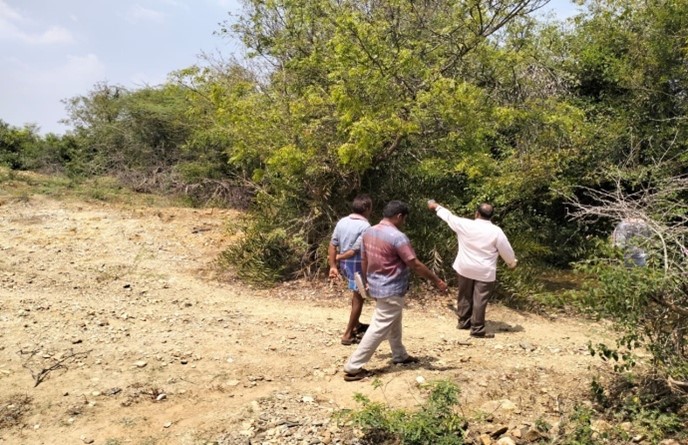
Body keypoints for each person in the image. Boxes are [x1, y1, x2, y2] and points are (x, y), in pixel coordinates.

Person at [343, 200, 447, 381]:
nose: (404, 222)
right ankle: (353, 366)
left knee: (394, 319)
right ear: (399, 216)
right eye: (404, 219)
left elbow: (364, 258)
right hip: (390, 288)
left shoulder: (369, 231)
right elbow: (413, 263)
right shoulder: (398, 237)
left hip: (377, 286)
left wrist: (367, 280)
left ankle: (399, 355)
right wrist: (436, 280)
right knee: (379, 327)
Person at [427, 200, 517, 338]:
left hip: (465, 267)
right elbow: (507, 251)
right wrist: (512, 264)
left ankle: (463, 322)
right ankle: (477, 328)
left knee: (464, 294)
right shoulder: (496, 231)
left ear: (476, 214)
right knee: (480, 299)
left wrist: (435, 206)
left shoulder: (465, 224)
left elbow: (448, 216)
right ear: (491, 216)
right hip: (484, 271)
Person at [329, 194, 373, 345]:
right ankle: (348, 334)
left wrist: (333, 265)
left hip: (347, 266)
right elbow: (355, 250)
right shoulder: (365, 226)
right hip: (357, 266)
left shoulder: (342, 222)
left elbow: (333, 243)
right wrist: (338, 258)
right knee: (359, 298)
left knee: (356, 296)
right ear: (367, 208)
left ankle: (357, 324)